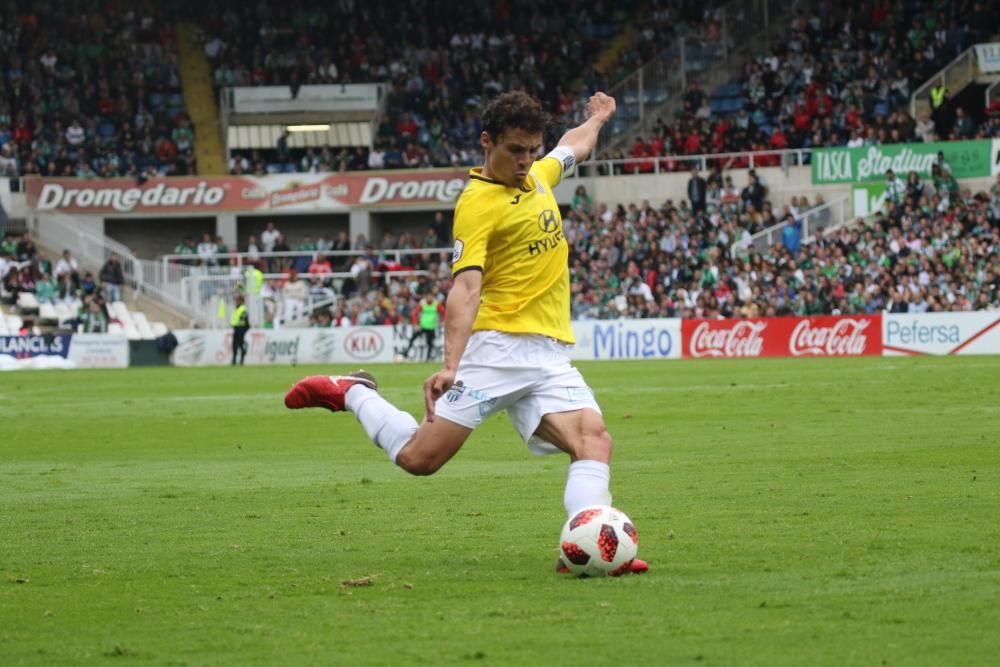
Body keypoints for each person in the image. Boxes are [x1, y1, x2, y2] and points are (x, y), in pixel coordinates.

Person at [284, 90, 648, 575]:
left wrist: (599, 118)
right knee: (419, 458)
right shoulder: (477, 205)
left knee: (594, 442)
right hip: (496, 349)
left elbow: (573, 146)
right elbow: (466, 288)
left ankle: (583, 550)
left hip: (547, 353)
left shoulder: (539, 173)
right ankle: (353, 391)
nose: (525, 160)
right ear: (486, 143)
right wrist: (452, 364)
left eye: (531, 150)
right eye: (514, 150)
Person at [402, 292, 441, 361]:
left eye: (430, 297)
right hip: (422, 326)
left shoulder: (436, 305)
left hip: (431, 327)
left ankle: (428, 358)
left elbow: (444, 312)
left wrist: (442, 321)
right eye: (428, 297)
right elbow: (414, 314)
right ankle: (406, 352)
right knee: (413, 338)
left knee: (429, 343)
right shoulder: (423, 305)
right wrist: (416, 324)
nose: (429, 298)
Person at [230, 292, 249, 366]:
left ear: (241, 301)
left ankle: (241, 360)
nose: (236, 301)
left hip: (241, 329)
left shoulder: (243, 309)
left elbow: (245, 321)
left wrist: (244, 331)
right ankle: (234, 360)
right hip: (236, 328)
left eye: (237, 300)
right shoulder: (237, 308)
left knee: (240, 345)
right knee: (234, 345)